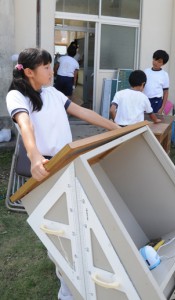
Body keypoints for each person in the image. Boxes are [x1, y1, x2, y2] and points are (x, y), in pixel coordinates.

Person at [6, 47, 120, 300]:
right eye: (46, 67)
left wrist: (115, 127)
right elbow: (25, 125)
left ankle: (75, 272)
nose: (51, 71)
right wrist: (35, 156)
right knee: (62, 228)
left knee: (78, 221)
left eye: (50, 66)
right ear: (28, 72)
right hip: (47, 168)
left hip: (68, 162)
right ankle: (68, 289)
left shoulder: (51, 92)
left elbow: (82, 112)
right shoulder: (17, 96)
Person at [144, 49, 169, 114]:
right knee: (144, 120)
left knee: (155, 121)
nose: (155, 62)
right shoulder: (146, 71)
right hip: (145, 100)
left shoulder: (164, 74)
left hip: (157, 102)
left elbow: (166, 92)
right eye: (154, 59)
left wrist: (162, 107)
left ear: (163, 63)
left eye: (159, 61)